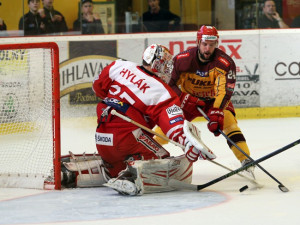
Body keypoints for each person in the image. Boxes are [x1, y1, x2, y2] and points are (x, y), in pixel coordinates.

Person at [60, 44, 216, 195]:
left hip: (102, 136)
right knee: (163, 160)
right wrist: (187, 142)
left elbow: (97, 87)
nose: (169, 69)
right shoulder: (162, 91)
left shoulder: (120, 66)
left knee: (114, 165)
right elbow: (172, 123)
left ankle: (74, 173)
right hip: (128, 137)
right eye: (166, 64)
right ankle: (131, 175)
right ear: (158, 64)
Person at [166, 25, 254, 177]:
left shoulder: (225, 63)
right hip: (188, 101)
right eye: (204, 44)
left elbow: (224, 91)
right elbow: (169, 84)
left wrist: (217, 110)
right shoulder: (182, 60)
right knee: (167, 125)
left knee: (229, 123)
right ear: (198, 42)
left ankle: (245, 159)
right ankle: (145, 154)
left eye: (211, 45)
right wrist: (182, 98)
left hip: (214, 102)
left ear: (216, 44)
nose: (207, 49)